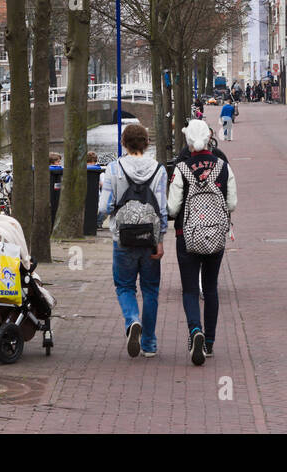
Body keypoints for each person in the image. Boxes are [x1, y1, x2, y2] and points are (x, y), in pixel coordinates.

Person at [168, 118, 237, 365]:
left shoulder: (181, 168)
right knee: (210, 288)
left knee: (189, 289)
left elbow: (173, 208)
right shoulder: (222, 166)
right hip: (215, 235)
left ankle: (194, 330)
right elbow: (232, 204)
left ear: (188, 141)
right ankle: (208, 342)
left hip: (186, 236)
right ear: (209, 138)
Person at [98, 123, 167, 358]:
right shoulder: (159, 170)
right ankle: (149, 344)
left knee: (125, 286)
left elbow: (103, 206)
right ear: (147, 143)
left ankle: (132, 320)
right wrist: (160, 238)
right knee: (150, 289)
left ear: (123, 143)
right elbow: (162, 209)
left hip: (123, 238)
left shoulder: (113, 168)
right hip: (149, 238)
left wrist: (107, 216)